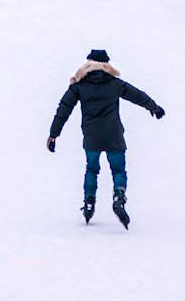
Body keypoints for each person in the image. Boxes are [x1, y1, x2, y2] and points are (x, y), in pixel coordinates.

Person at [47, 48, 164, 227]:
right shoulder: (115, 84)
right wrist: (154, 107)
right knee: (118, 170)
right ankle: (118, 195)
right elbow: (137, 96)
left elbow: (63, 110)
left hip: (91, 137)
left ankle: (89, 202)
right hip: (114, 135)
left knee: (91, 169)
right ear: (106, 65)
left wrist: (53, 134)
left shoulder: (78, 86)